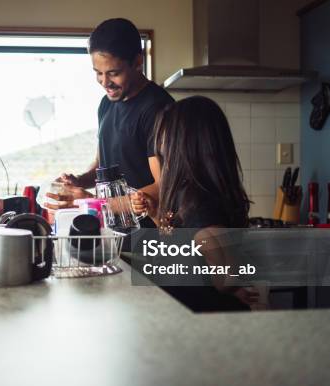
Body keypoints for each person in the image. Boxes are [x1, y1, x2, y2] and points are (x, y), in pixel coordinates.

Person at [133, 96, 259, 311]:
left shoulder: (198, 198)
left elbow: (225, 274)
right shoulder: (189, 192)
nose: (160, 144)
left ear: (183, 142)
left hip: (208, 316)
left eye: (165, 136)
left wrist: (232, 286)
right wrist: (155, 214)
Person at [47, 18, 174, 221]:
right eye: (98, 73)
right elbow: (102, 166)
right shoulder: (106, 104)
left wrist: (89, 202)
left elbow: (164, 185)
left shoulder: (158, 108)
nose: (105, 82)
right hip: (113, 233)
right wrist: (79, 181)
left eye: (114, 73)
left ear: (137, 62)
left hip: (149, 239)